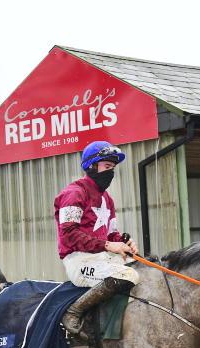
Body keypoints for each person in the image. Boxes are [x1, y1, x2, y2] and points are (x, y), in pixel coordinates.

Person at [54, 140, 139, 335]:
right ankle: (74, 311)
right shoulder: (73, 194)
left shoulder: (107, 199)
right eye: (107, 167)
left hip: (104, 258)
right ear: (91, 166)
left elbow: (112, 234)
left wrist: (125, 242)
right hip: (79, 260)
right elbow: (69, 235)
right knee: (128, 275)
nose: (111, 172)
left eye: (113, 168)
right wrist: (110, 245)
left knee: (141, 268)